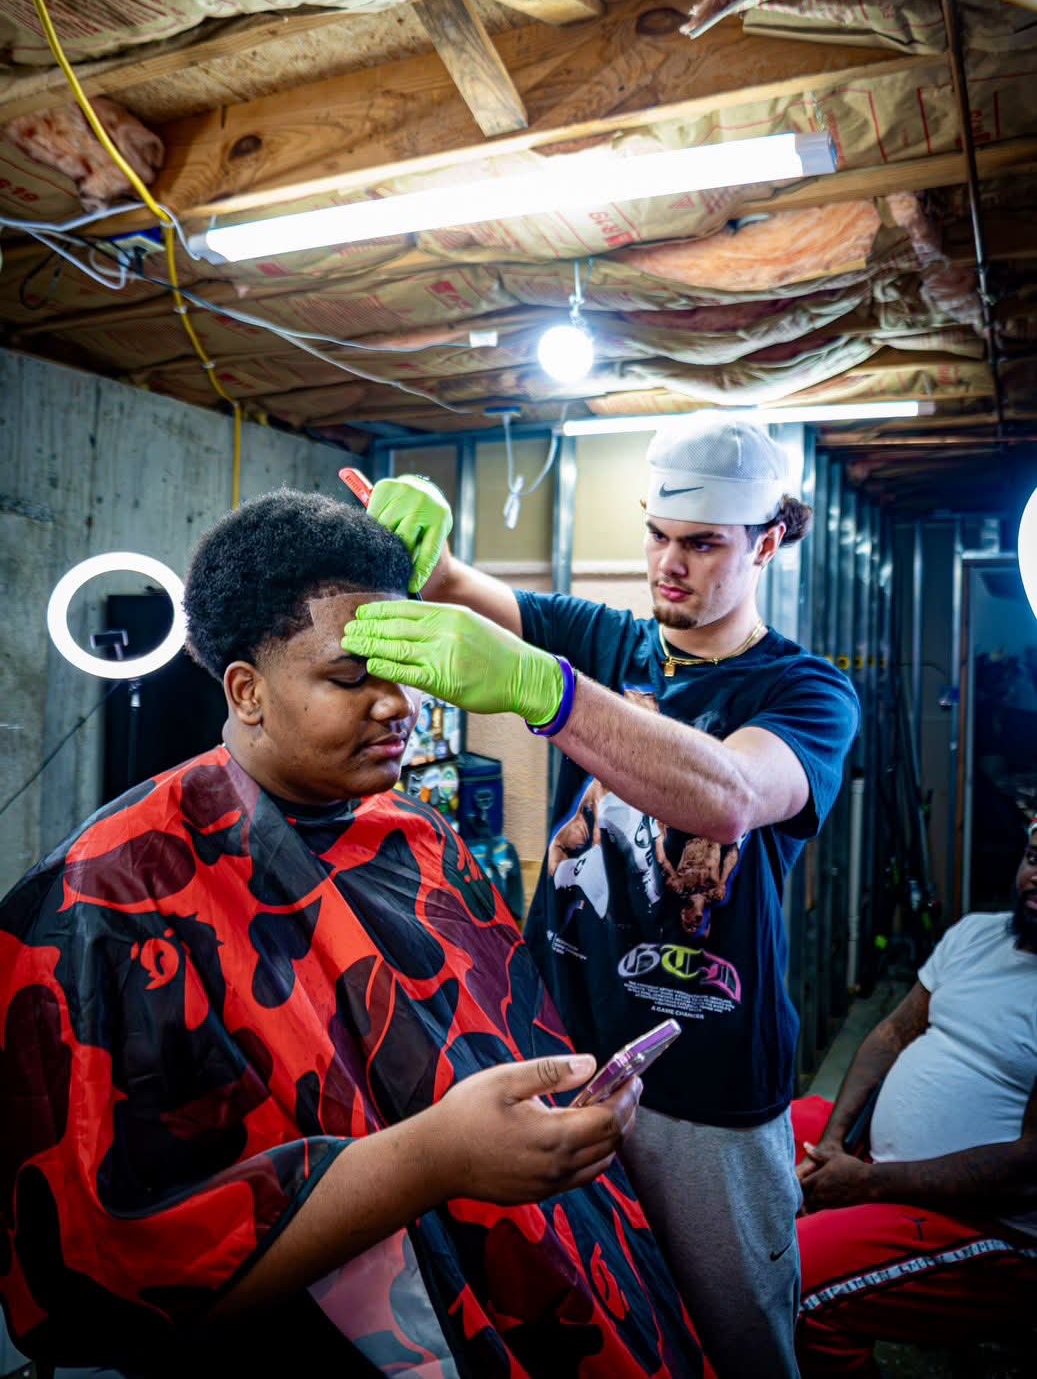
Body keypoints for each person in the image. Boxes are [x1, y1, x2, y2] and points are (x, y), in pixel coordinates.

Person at [0, 490, 702, 1379]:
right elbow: (93, 1276)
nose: (397, 704)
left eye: (402, 670)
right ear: (246, 690)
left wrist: (565, 1111)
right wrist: (434, 1159)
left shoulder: (418, 834)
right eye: (350, 676)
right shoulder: (98, 904)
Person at [344, 412, 861, 1377]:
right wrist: (418, 535)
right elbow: (452, 587)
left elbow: (731, 794)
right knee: (591, 1319)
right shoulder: (607, 639)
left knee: (742, 1339)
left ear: (770, 538)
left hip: (705, 1083)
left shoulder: (807, 691)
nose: (670, 565)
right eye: (658, 536)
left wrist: (551, 691)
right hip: (561, 1046)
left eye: (702, 544)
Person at [792, 820, 1037, 1375]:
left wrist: (865, 1184)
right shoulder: (978, 934)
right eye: (1031, 857)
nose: (1033, 877)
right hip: (880, 1169)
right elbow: (891, 1033)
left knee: (793, 1280)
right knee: (760, 1138)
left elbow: (1028, 1161)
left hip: (985, 1223)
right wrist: (833, 1144)